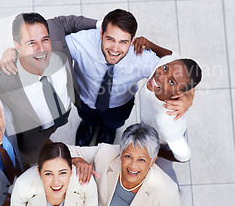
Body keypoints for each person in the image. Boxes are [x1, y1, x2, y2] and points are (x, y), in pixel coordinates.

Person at [0, 12, 97, 165]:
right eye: (31, 43)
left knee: (59, 123)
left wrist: (103, 26)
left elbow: (67, 21)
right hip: (33, 134)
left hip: (61, 114)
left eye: (45, 40)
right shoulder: (2, 75)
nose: (41, 49)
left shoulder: (56, 37)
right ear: (17, 46)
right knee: (28, 158)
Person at [66, 9, 193, 146]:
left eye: (123, 42)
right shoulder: (82, 42)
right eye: (110, 39)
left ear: (132, 40)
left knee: (113, 123)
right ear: (101, 33)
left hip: (119, 105)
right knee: (86, 115)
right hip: (85, 97)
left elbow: (182, 68)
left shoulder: (142, 57)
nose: (115, 49)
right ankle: (88, 126)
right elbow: (52, 47)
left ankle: (107, 131)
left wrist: (189, 98)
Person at [69, 123, 181, 206]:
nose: (133, 166)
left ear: (152, 161)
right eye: (128, 156)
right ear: (120, 152)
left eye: (141, 160)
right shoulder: (105, 153)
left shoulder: (167, 190)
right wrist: (77, 160)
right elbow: (62, 150)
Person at [138, 55, 202, 182]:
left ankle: (175, 190)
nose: (160, 76)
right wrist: (150, 45)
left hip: (162, 143)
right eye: (166, 68)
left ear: (179, 93)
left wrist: (155, 153)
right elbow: (170, 55)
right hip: (149, 127)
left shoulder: (167, 121)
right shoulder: (167, 65)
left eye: (171, 82)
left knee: (164, 173)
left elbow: (183, 157)